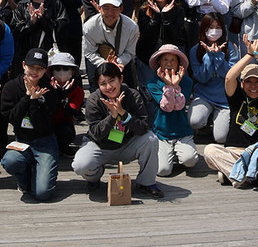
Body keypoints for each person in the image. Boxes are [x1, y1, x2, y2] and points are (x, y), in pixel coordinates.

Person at [204, 36, 258, 188]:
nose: (253, 86)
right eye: (248, 81)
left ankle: (235, 175)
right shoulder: (237, 95)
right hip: (235, 152)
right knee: (210, 150)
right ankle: (256, 178)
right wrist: (249, 55)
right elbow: (230, 77)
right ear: (242, 83)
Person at [72, 62, 163, 198]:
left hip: (126, 144)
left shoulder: (133, 95)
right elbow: (95, 133)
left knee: (151, 139)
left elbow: (143, 127)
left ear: (120, 79)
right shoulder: (93, 100)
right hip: (100, 146)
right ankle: (94, 177)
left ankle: (146, 182)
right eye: (103, 83)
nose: (109, 87)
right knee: (80, 164)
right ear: (98, 85)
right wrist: (112, 117)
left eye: (112, 80)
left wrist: (123, 114)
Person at [1, 48, 60, 201]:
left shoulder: (50, 90)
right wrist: (27, 97)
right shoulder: (11, 87)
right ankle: (25, 180)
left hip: (45, 141)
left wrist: (35, 102)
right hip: (22, 140)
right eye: (31, 67)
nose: (34, 72)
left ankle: (41, 171)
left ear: (45, 70)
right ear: (23, 65)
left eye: (39, 69)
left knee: (43, 193)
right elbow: (12, 118)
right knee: (10, 161)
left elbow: (44, 125)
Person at [188, 13, 239, 143]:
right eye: (211, 27)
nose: (215, 30)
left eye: (218, 27)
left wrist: (218, 57)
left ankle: (219, 120)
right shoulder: (196, 50)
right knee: (195, 121)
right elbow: (202, 77)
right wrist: (209, 57)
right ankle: (205, 124)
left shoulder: (231, 48)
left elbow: (230, 75)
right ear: (204, 29)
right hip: (204, 95)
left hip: (225, 98)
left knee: (221, 138)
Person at [6, 0, 68, 73]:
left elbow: (62, 28)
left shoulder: (55, 4)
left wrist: (43, 19)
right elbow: (15, 30)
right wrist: (31, 22)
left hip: (49, 55)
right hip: (25, 55)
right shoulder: (22, 5)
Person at [146, 45, 196, 176]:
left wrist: (175, 85)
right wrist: (169, 86)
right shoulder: (152, 83)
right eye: (165, 59)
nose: (169, 63)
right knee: (163, 171)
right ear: (159, 62)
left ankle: (180, 152)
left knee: (190, 160)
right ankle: (165, 153)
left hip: (182, 131)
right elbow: (167, 107)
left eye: (173, 60)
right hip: (162, 132)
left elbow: (179, 105)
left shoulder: (187, 82)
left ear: (179, 63)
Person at [83, 0, 139, 90]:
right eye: (106, 8)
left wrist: (117, 63)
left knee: (129, 90)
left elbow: (130, 53)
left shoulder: (131, 27)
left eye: (114, 8)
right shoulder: (89, 27)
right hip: (97, 61)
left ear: (121, 8)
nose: (110, 13)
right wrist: (104, 64)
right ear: (99, 8)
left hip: (121, 61)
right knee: (96, 89)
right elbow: (90, 52)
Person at [135, 0, 190, 82]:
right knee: (150, 85)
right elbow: (145, 36)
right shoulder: (144, 10)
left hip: (171, 50)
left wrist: (165, 17)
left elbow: (176, 35)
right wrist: (156, 17)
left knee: (176, 82)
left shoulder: (178, 9)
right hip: (149, 52)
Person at [46, 52, 83, 154]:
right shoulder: (45, 87)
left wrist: (63, 95)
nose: (61, 72)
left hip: (64, 123)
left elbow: (70, 112)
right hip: (45, 122)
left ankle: (63, 147)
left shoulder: (78, 90)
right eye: (57, 68)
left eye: (66, 69)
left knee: (67, 132)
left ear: (73, 71)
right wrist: (56, 93)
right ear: (52, 71)